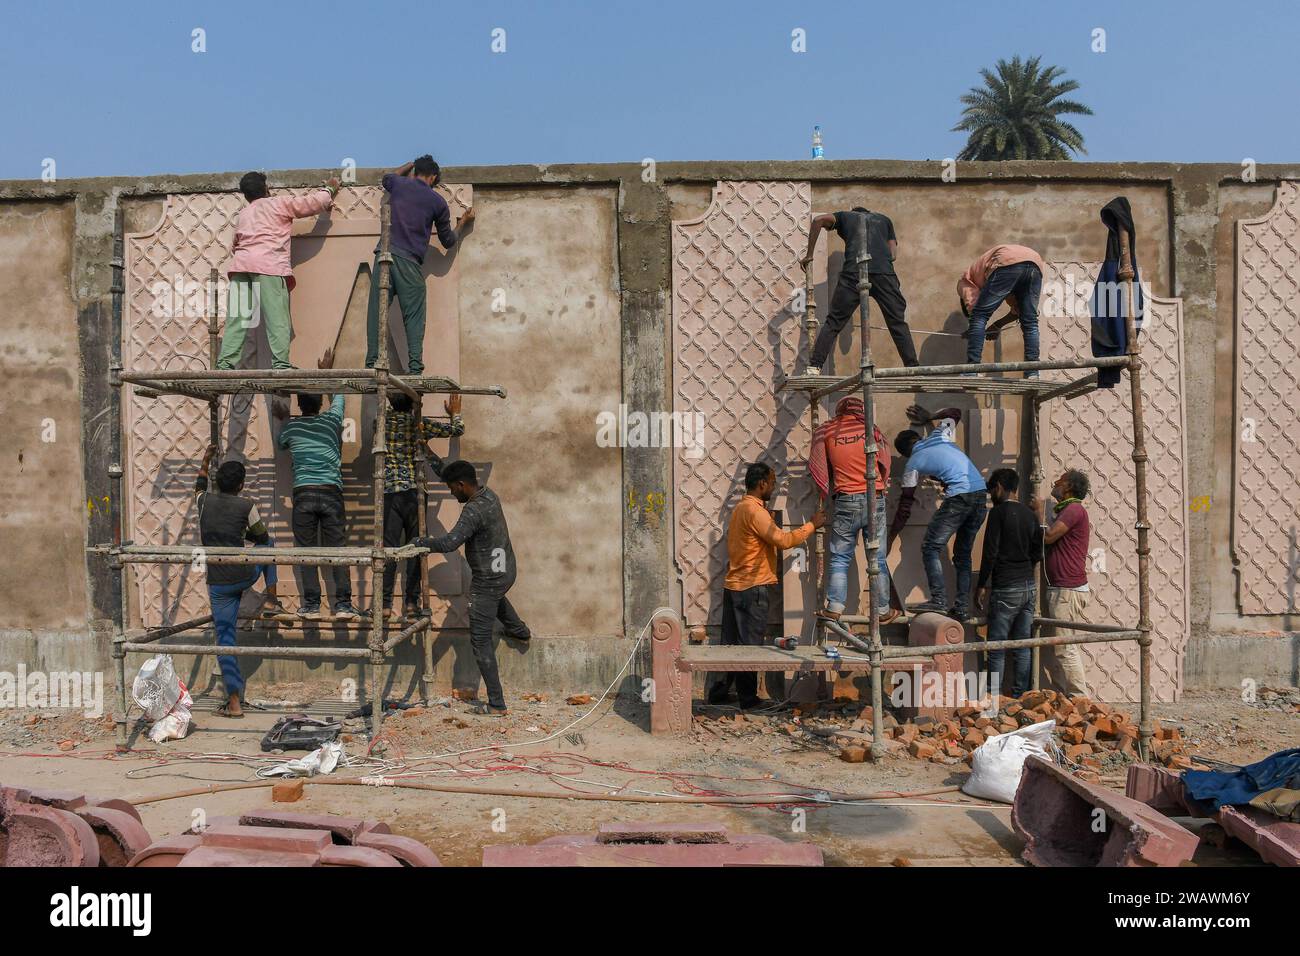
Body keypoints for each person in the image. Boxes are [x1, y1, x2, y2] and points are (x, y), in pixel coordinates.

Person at [410, 460, 530, 715]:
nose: (452, 494)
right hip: (505, 571)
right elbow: (449, 470)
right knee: (495, 600)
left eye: (453, 489)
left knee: (480, 640)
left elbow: (450, 542)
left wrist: (420, 542)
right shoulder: (489, 495)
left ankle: (497, 704)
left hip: (487, 580)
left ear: (462, 485)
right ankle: (519, 631)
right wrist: (428, 452)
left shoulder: (473, 511)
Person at [708, 463, 827, 709]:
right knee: (750, 646)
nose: (773, 488)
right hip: (752, 587)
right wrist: (812, 525)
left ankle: (719, 694)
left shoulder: (742, 508)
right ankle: (749, 701)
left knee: (731, 645)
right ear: (762, 484)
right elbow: (782, 540)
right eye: (772, 483)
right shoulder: (755, 511)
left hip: (735, 585)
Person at [194, 445, 289, 718]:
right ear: (241, 485)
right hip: (242, 575)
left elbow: (199, 484)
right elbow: (260, 537)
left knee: (225, 639)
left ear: (218, 483)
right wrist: (242, 531)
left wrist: (205, 459)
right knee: (268, 543)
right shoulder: (246, 505)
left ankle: (234, 703)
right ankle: (270, 597)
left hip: (218, 582)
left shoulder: (203, 502)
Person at [365, 156, 475, 376]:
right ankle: (415, 368)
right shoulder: (437, 202)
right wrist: (462, 223)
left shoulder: (399, 184)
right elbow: (448, 242)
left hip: (384, 256)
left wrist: (408, 164)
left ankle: (372, 364)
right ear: (433, 177)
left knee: (377, 312)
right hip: (409, 262)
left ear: (415, 171)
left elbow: (387, 177)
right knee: (413, 317)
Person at [220, 171, 339, 370]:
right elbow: (312, 203)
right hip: (269, 265)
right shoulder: (278, 203)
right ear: (267, 189)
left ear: (246, 195)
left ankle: (225, 364)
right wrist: (330, 189)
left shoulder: (244, 214)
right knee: (277, 318)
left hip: (241, 266)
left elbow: (235, 244)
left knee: (237, 318)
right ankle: (280, 364)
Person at [273, 348, 360, 621]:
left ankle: (311, 605)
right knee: (338, 549)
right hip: (332, 492)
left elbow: (281, 444)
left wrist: (284, 417)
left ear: (300, 405)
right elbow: (341, 396)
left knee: (306, 551)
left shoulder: (292, 428)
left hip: (304, 493)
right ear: (321, 403)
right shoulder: (332, 421)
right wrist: (326, 373)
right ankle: (343, 604)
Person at [888, 405, 987, 620]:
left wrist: (891, 536)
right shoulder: (940, 435)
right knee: (962, 555)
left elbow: (905, 505)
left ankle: (939, 600)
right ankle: (961, 608)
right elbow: (955, 412)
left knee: (930, 547)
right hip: (980, 496)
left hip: (959, 498)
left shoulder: (913, 463)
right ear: (918, 439)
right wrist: (929, 417)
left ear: (904, 453)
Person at [808, 396, 898, 624]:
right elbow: (886, 460)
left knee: (839, 557)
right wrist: (882, 483)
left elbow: (817, 463)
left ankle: (835, 607)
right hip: (873, 497)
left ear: (839, 410)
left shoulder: (825, 431)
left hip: (845, 499)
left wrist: (826, 485)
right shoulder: (871, 429)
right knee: (877, 558)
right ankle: (883, 609)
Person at [801, 207, 920, 372]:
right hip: (884, 274)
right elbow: (893, 254)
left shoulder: (844, 216)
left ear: (853, 211)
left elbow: (818, 220)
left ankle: (814, 366)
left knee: (834, 322)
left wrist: (809, 256)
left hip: (853, 273)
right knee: (897, 323)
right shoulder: (885, 219)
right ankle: (912, 368)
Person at [380, 391, 465, 619]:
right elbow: (457, 430)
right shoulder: (419, 425)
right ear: (414, 404)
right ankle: (410, 602)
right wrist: (455, 414)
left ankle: (384, 604)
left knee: (389, 550)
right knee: (416, 547)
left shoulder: (379, 424)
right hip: (414, 494)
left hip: (389, 493)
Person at [975, 468, 1043, 698]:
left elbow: (990, 551)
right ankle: (1019, 697)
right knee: (1022, 646)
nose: (992, 495)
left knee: (997, 647)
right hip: (1028, 587)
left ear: (1000, 488)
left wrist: (982, 584)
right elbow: (1037, 551)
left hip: (1006, 587)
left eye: (992, 489)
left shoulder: (998, 513)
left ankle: (994, 699)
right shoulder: (1030, 514)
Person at [1031, 468, 1092, 697]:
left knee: (1065, 647)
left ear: (1067, 487)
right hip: (1062, 588)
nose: (1055, 482)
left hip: (1067, 589)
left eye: (1060, 479)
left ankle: (1079, 698)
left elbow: (1048, 537)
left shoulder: (1073, 510)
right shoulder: (1066, 510)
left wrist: (1038, 513)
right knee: (1061, 647)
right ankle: (1066, 695)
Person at [957, 244, 1046, 371]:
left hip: (1006, 261)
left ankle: (972, 369)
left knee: (979, 315)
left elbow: (975, 310)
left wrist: (974, 331)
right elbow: (1017, 311)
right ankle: (1032, 372)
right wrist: (997, 325)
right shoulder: (1004, 285)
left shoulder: (964, 281)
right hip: (1035, 262)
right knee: (1030, 321)